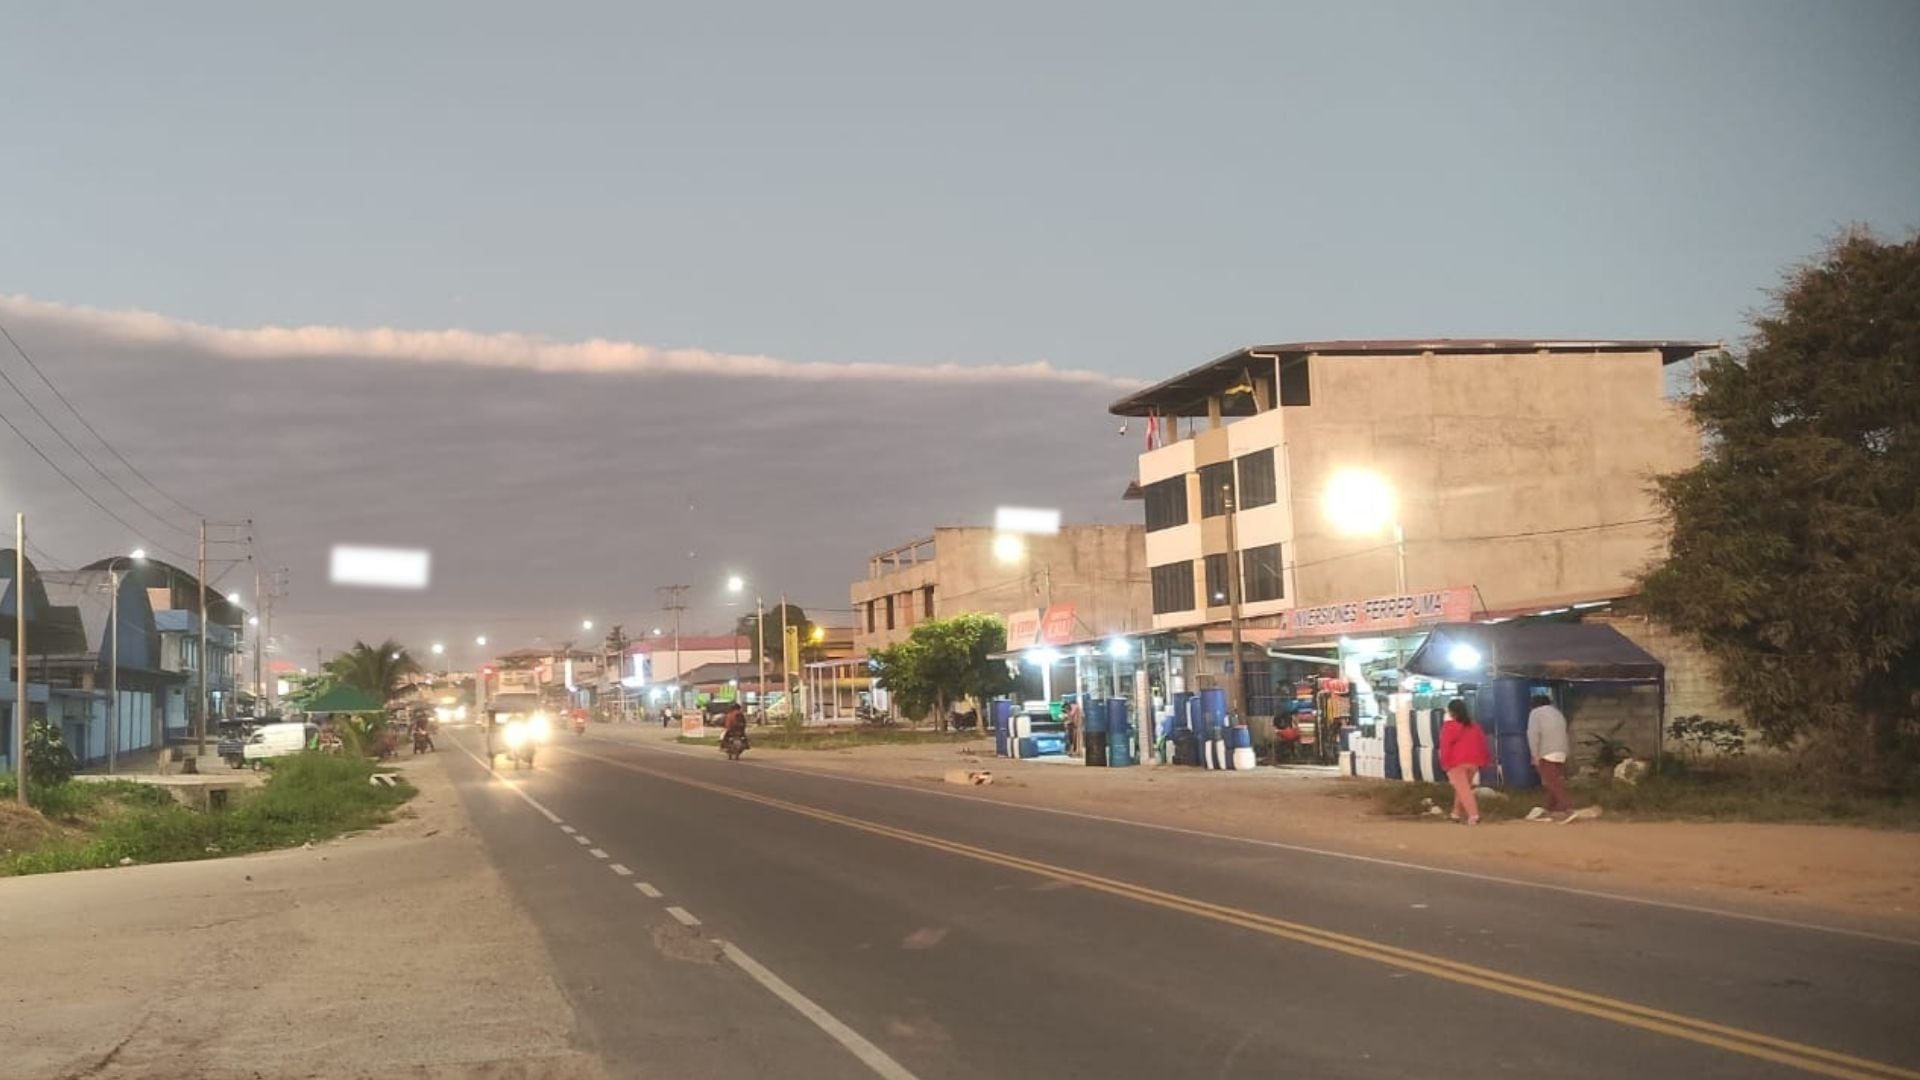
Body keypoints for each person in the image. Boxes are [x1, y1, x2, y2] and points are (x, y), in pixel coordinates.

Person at [1438, 698, 1493, 825]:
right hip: (1473, 763)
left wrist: (1444, 763)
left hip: (1456, 763)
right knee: (1463, 788)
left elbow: (1445, 746)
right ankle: (1455, 813)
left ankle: (1473, 815)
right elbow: (1482, 744)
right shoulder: (1475, 726)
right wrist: (1486, 759)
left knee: (1463, 790)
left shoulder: (1449, 727)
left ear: (1451, 712)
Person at [1527, 692, 1573, 818]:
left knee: (1551, 782)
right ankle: (1550, 808)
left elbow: (1533, 735)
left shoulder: (1535, 714)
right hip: (1562, 750)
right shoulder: (1557, 713)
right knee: (1554, 779)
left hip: (1546, 751)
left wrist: (1534, 755)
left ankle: (1567, 807)